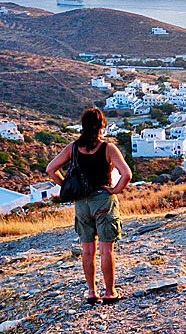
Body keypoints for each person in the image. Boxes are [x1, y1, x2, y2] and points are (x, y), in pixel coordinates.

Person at [46, 107, 131, 305]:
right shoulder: (108, 149)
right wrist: (114, 189)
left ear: (83, 126)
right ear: (101, 126)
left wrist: (67, 186)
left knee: (87, 250)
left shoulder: (73, 148)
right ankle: (110, 293)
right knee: (106, 249)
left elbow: (51, 169)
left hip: (81, 203)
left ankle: (92, 292)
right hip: (102, 200)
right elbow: (126, 174)